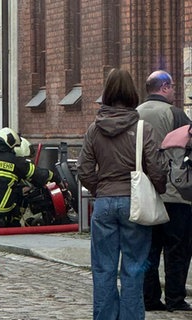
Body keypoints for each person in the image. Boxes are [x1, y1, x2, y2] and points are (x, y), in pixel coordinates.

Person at [77, 68, 168, 319]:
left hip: (105, 203)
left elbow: (83, 169)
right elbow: (157, 169)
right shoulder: (142, 129)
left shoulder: (94, 130)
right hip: (135, 204)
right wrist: (158, 190)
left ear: (106, 93)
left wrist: (100, 190)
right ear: (132, 93)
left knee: (103, 269)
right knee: (134, 268)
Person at [136, 70, 192, 312]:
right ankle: (175, 299)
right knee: (177, 249)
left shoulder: (134, 114)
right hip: (175, 193)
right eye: (173, 87)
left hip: (144, 193)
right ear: (165, 87)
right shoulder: (175, 114)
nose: (175, 92)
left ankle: (149, 298)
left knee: (148, 249)